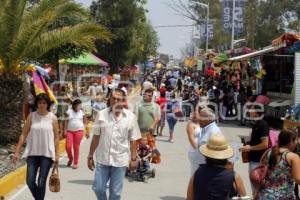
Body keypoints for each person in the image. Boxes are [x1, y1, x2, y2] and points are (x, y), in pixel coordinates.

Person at [87, 88, 141, 200]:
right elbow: (96, 136)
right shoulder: (101, 115)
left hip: (120, 160)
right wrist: (90, 156)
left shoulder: (130, 117)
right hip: (103, 159)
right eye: (113, 98)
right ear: (110, 99)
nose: (115, 101)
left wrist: (134, 158)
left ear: (123, 101)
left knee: (115, 193)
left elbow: (133, 139)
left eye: (118, 99)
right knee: (98, 188)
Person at [13, 93, 60, 200]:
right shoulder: (32, 116)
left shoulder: (53, 118)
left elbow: (56, 137)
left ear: (48, 104)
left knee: (41, 182)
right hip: (32, 153)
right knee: (30, 180)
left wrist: (56, 155)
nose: (42, 105)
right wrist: (17, 152)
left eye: (44, 103)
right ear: (36, 104)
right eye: (39, 103)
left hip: (47, 154)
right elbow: (23, 134)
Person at [187, 134, 247, 200]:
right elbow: (244, 198)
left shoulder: (197, 173)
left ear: (207, 155)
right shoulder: (234, 177)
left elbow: (189, 198)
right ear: (225, 155)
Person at [257, 129, 300, 200]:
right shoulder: (293, 157)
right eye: (296, 140)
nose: (297, 143)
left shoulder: (268, 152)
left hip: (265, 195)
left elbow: (260, 174)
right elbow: (297, 179)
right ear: (291, 141)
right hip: (283, 196)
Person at [241, 105, 269, 196]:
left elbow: (265, 144)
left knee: (257, 190)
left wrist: (250, 148)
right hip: (253, 160)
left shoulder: (262, 124)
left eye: (252, 109)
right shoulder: (256, 124)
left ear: (257, 112)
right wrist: (248, 143)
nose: (250, 110)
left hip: (258, 162)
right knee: (255, 189)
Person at [65, 99, 89, 169]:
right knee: (68, 147)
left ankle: (75, 163)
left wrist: (87, 131)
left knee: (76, 147)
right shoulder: (69, 111)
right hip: (70, 131)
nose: (80, 107)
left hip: (79, 131)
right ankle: (70, 158)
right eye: (79, 105)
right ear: (74, 105)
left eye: (80, 105)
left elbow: (85, 122)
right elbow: (65, 121)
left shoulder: (82, 112)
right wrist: (64, 130)